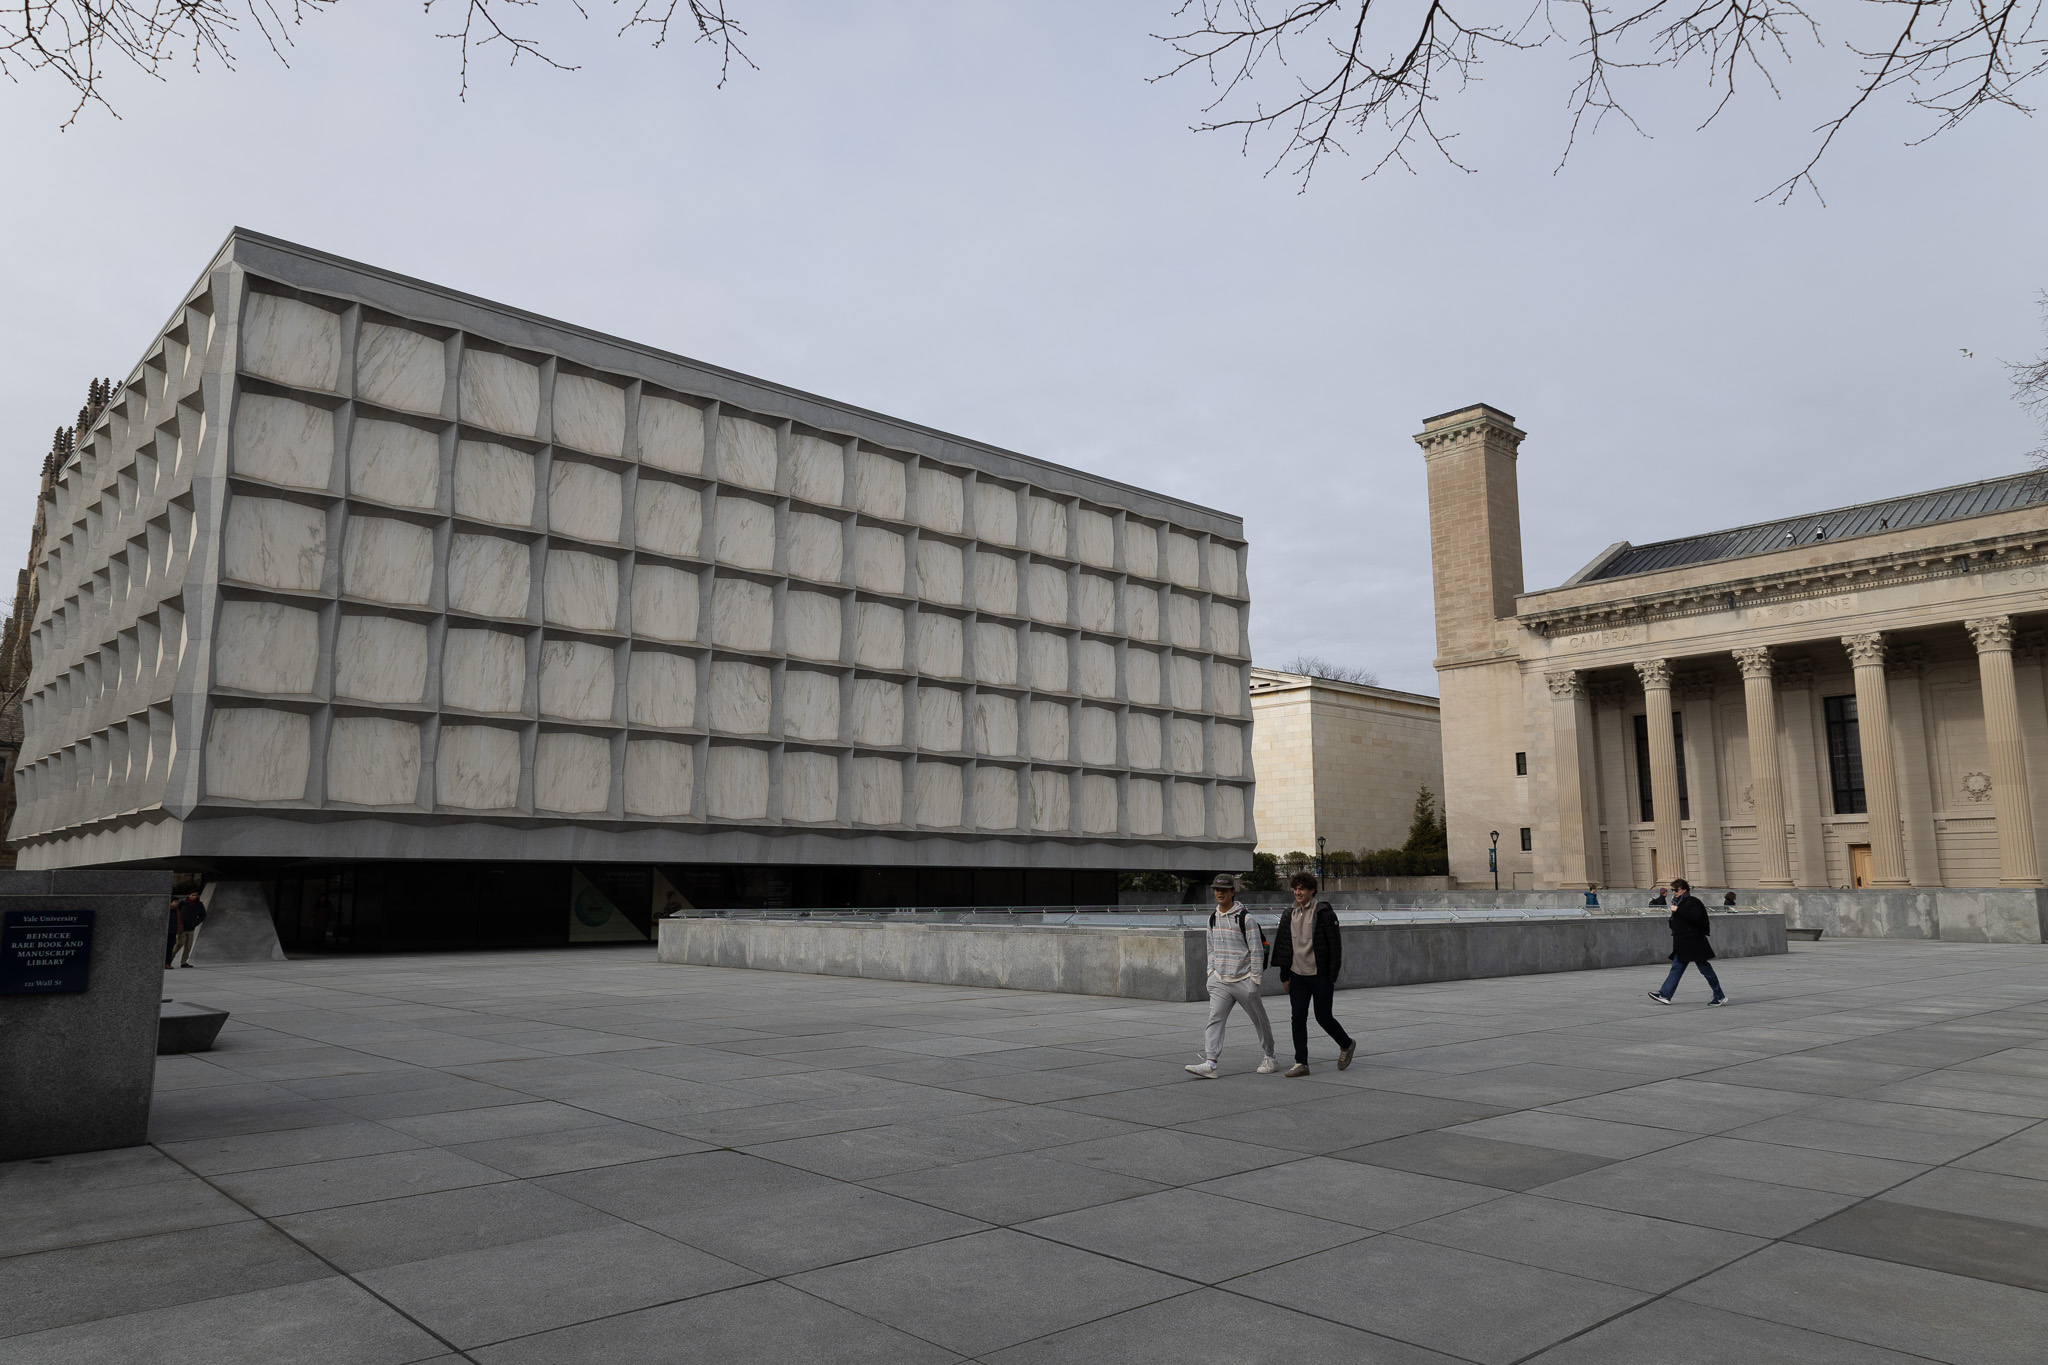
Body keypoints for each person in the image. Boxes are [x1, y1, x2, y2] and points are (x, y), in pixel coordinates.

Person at [1185, 874, 1278, 1079]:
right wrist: (1211, 973)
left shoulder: (1246, 918)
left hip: (1244, 979)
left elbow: (1256, 950)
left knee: (1260, 1020)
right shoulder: (1212, 918)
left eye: (1224, 890)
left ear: (1232, 892)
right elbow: (1210, 948)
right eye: (1217, 890)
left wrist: (1255, 980)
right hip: (1220, 980)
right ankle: (1210, 1063)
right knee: (1214, 1020)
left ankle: (1270, 1056)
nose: (1219, 893)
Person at [1272, 871, 1355, 1076]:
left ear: (1311, 890)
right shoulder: (1288, 914)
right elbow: (1284, 946)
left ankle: (1346, 1044)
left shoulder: (1324, 913)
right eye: (1295, 888)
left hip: (1320, 975)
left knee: (1323, 1017)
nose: (1297, 892)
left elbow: (1335, 948)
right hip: (1297, 975)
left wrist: (1331, 976)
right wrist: (1284, 975)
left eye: (1301, 888)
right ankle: (1301, 1063)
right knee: (1297, 1018)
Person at [1648, 878, 1728, 1005]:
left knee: (1705, 969)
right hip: (1683, 942)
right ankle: (1665, 994)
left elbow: (1695, 916)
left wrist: (1678, 910)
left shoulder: (1692, 901)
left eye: (1676, 890)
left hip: (1694, 942)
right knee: (1677, 968)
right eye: (1672, 890)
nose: (1674, 892)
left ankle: (1719, 995)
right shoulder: (1680, 902)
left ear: (1684, 890)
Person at [169, 891, 207, 968]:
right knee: (179, 944)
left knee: (188, 946)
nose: (195, 897)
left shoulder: (199, 904)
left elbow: (203, 915)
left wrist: (196, 922)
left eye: (196, 895)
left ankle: (184, 962)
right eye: (193, 895)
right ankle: (169, 959)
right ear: (189, 895)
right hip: (182, 928)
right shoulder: (182, 903)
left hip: (191, 928)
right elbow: (176, 912)